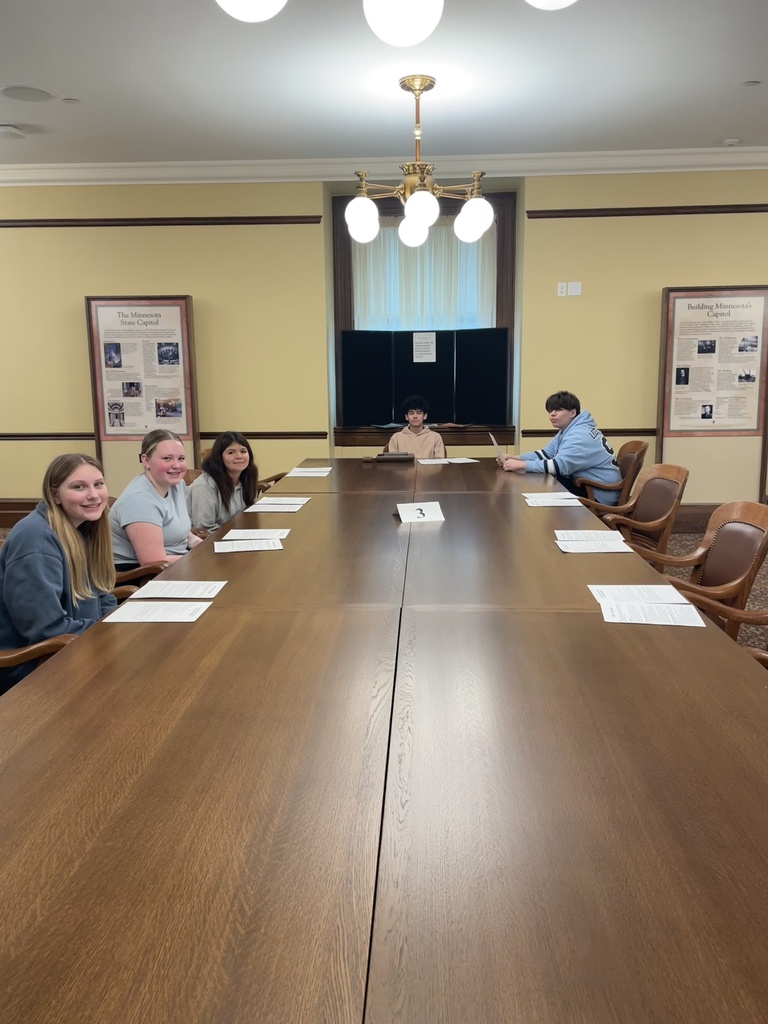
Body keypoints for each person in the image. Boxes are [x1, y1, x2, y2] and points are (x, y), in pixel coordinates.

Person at [0, 454, 117, 692]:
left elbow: (101, 594)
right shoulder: (36, 540)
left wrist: (120, 623)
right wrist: (107, 633)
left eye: (98, 484)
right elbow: (47, 630)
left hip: (75, 647)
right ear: (55, 495)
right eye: (78, 487)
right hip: (33, 667)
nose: (93, 495)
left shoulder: (81, 526)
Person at [497, 390, 622, 503]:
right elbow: (545, 454)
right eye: (550, 411)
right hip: (584, 485)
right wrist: (514, 458)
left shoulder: (580, 435)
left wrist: (521, 465)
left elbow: (559, 466)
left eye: (558, 410)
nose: (552, 414)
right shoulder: (569, 430)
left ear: (573, 412)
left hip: (600, 494)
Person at [109, 429, 202, 569]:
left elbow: (176, 528)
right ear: (146, 461)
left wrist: (195, 541)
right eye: (167, 458)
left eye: (181, 458)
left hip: (178, 563)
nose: (176, 465)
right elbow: (153, 561)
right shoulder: (139, 500)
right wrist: (201, 559)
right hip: (142, 575)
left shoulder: (176, 485)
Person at [187, 431, 259, 533]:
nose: (239, 456)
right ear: (219, 457)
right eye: (231, 452)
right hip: (208, 543)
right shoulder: (205, 486)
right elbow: (203, 529)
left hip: (236, 536)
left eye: (243, 451)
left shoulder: (246, 477)